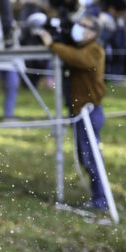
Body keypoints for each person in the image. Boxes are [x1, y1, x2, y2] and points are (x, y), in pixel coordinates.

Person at [34, 13, 108, 212]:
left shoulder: (94, 51)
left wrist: (53, 45)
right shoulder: (81, 47)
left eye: (84, 26)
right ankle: (99, 197)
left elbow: (79, 59)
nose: (79, 28)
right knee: (85, 156)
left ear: (93, 33)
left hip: (89, 112)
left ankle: (101, 200)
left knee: (91, 157)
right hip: (79, 111)